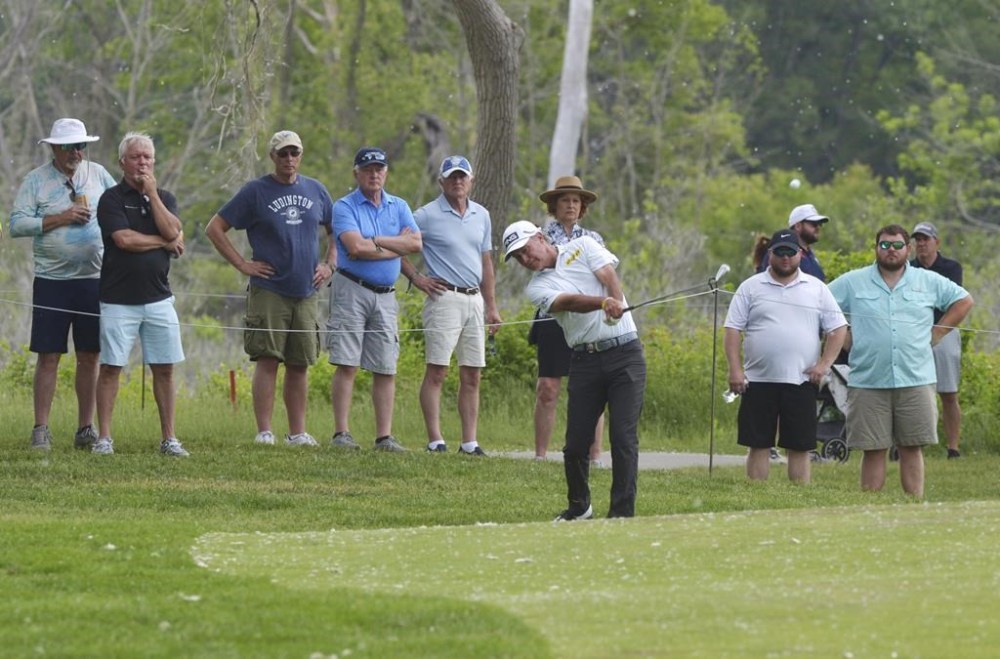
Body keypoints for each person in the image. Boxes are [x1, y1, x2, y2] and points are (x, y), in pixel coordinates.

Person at [503, 220, 646, 521]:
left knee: (623, 438)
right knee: (576, 444)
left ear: (540, 238)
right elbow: (568, 302)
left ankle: (621, 513)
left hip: (625, 355)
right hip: (584, 361)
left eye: (526, 250)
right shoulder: (537, 287)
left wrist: (616, 300)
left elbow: (608, 274)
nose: (526, 260)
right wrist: (602, 302)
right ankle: (580, 507)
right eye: (519, 258)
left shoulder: (583, 246)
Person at [205, 130, 335, 447]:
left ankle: (297, 432)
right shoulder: (256, 192)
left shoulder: (316, 190)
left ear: (301, 155)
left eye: (294, 153)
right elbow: (215, 228)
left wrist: (330, 264)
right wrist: (242, 264)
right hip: (269, 289)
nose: (289, 159)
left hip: (306, 290)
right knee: (267, 358)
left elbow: (336, 232)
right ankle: (265, 431)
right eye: (283, 154)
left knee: (299, 362)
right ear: (273, 157)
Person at [828, 225, 973, 496]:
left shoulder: (928, 280)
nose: (891, 250)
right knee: (873, 449)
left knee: (912, 446)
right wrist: (843, 335)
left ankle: (914, 506)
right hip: (869, 380)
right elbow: (821, 303)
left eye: (897, 245)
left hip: (915, 377)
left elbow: (964, 300)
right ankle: (870, 508)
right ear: (876, 248)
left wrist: (939, 332)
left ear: (907, 249)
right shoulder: (852, 281)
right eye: (884, 245)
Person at [9, 118, 117, 450]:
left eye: (81, 146)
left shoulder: (98, 174)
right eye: (70, 146)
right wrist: (62, 217)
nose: (77, 153)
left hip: (94, 280)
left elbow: (118, 207)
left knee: (90, 355)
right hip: (52, 281)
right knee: (49, 355)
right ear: (55, 148)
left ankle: (86, 428)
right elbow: (17, 224)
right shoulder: (35, 181)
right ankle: (41, 427)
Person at [724, 229, 848, 483]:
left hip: (802, 380)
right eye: (779, 252)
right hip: (758, 379)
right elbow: (732, 329)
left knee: (800, 444)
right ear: (770, 254)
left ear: (800, 255)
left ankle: (798, 493)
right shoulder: (750, 286)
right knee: (758, 442)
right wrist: (735, 370)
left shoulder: (817, 288)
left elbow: (838, 329)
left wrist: (824, 365)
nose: (785, 258)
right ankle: (757, 490)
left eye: (790, 253)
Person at [92, 132, 188, 456]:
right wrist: (163, 242)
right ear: (122, 162)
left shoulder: (165, 197)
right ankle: (104, 438)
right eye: (136, 157)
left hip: (159, 298)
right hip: (119, 299)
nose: (142, 163)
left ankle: (169, 439)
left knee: (164, 368)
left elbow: (174, 229)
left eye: (147, 157)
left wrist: (152, 196)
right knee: (111, 367)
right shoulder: (111, 199)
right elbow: (125, 240)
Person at [401, 155, 501, 456]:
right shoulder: (426, 215)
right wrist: (417, 278)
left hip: (474, 299)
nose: (458, 181)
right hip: (443, 297)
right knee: (438, 371)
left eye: (463, 176)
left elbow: (486, 262)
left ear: (470, 180)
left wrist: (492, 306)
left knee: (472, 373)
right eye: (452, 177)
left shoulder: (481, 215)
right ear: (441, 181)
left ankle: (469, 442)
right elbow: (398, 246)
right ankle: (435, 440)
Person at [327, 147, 421, 452]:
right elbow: (355, 248)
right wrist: (397, 245)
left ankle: (384, 437)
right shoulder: (345, 206)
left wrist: (378, 241)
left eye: (379, 169)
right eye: (368, 169)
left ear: (386, 172)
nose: (374, 174)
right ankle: (342, 433)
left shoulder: (399, 206)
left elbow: (416, 243)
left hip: (386, 294)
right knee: (347, 362)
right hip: (351, 288)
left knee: (385, 365)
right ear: (356, 173)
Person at [531, 175, 606, 466]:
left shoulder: (593, 239)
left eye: (576, 201)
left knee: (592, 386)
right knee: (548, 387)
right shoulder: (541, 237)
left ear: (582, 206)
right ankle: (540, 455)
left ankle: (595, 454)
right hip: (553, 316)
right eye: (565, 200)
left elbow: (601, 274)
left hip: (587, 317)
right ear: (555, 205)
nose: (571, 206)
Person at [909, 222, 964, 459]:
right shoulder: (907, 268)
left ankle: (953, 448)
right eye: (918, 240)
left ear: (936, 242)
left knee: (948, 392)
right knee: (910, 390)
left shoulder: (951, 268)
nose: (921, 244)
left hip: (944, 331)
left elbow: (949, 302)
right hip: (913, 332)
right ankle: (909, 444)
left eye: (926, 239)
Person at [757, 204, 830, 281]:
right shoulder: (779, 252)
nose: (818, 228)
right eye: (814, 224)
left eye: (820, 224)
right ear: (798, 226)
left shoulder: (809, 255)